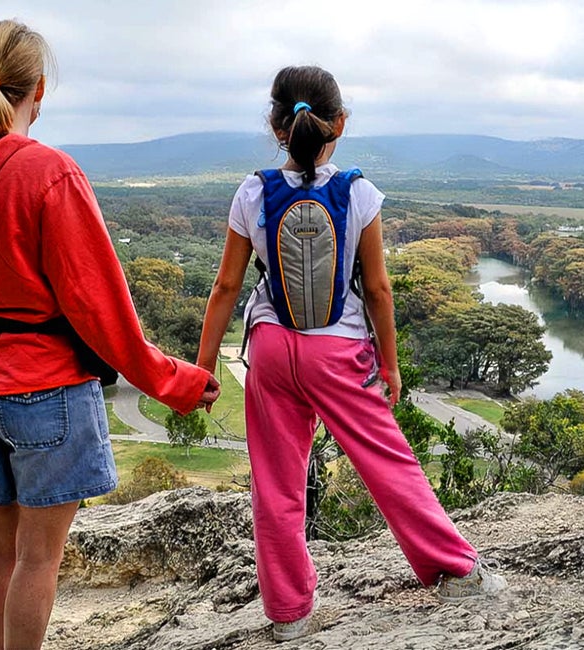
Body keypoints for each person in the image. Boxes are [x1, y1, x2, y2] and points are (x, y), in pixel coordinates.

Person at [0, 20, 220, 650]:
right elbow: (100, 306)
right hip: (43, 384)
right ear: (39, 89)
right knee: (38, 558)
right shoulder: (47, 172)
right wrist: (174, 383)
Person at [197, 65, 505, 643]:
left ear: (276, 126)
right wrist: (388, 364)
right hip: (339, 350)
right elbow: (380, 290)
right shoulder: (359, 192)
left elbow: (225, 287)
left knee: (277, 482)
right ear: (339, 123)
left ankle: (289, 613)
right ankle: (454, 569)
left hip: (267, 347)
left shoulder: (252, 191)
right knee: (387, 463)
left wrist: (205, 364)